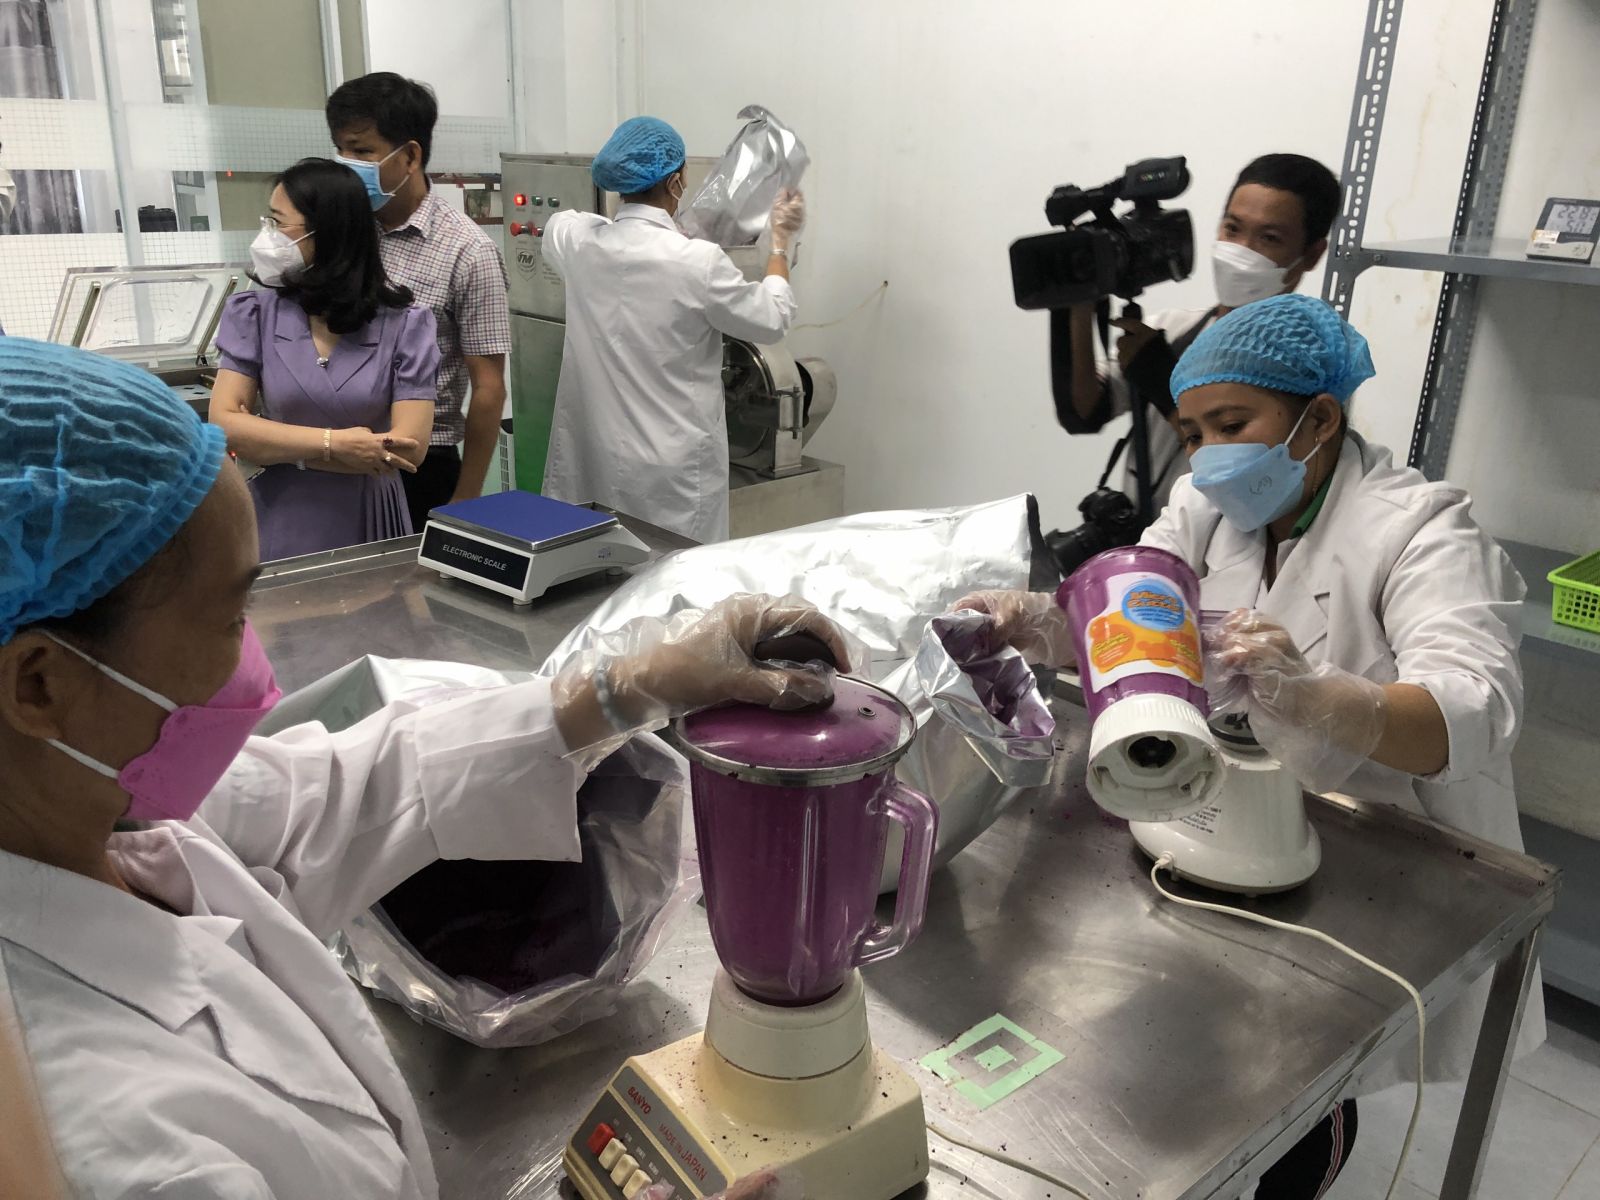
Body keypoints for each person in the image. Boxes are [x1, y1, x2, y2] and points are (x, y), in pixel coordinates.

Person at [0, 336, 842, 1198]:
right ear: (40, 685)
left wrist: (635, 683)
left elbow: (347, 789)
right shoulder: (106, 1144)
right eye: (229, 617)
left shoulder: (107, 820)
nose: (256, 661)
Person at [959, 294, 1543, 1198]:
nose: (1208, 456)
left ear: (1319, 417)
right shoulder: (1202, 502)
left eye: (1231, 424)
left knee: (1311, 1074)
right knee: (1207, 1049)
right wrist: (1045, 620)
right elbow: (1135, 603)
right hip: (1229, 809)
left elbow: (1477, 707)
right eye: (1191, 432)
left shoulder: (1420, 528)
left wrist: (1324, 700)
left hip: (1385, 844)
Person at [541, 116, 806, 544]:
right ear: (676, 181)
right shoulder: (698, 262)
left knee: (596, 576)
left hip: (593, 460)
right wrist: (780, 242)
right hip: (671, 475)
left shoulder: (577, 242)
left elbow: (560, 221)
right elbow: (773, 318)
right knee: (674, 582)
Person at [1055, 153, 1340, 512]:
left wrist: (1163, 383)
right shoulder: (1171, 331)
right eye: (1232, 229)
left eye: (1268, 238)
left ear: (1312, 254)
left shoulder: (1312, 365)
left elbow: (1253, 484)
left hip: (1229, 554)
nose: (1241, 250)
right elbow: (1083, 410)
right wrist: (1077, 300)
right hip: (1149, 547)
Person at [209, 158, 438, 561]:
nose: (268, 237)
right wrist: (337, 444)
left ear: (327, 233)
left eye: (279, 224)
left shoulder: (406, 325)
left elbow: (408, 449)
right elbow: (225, 426)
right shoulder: (255, 314)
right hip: (278, 512)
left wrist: (271, 441)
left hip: (370, 519)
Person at [326, 72, 512, 528]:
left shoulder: (467, 251)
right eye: (341, 150)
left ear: (410, 155)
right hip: (329, 457)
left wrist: (466, 499)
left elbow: (489, 389)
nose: (348, 163)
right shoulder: (338, 229)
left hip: (418, 465)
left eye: (362, 151)